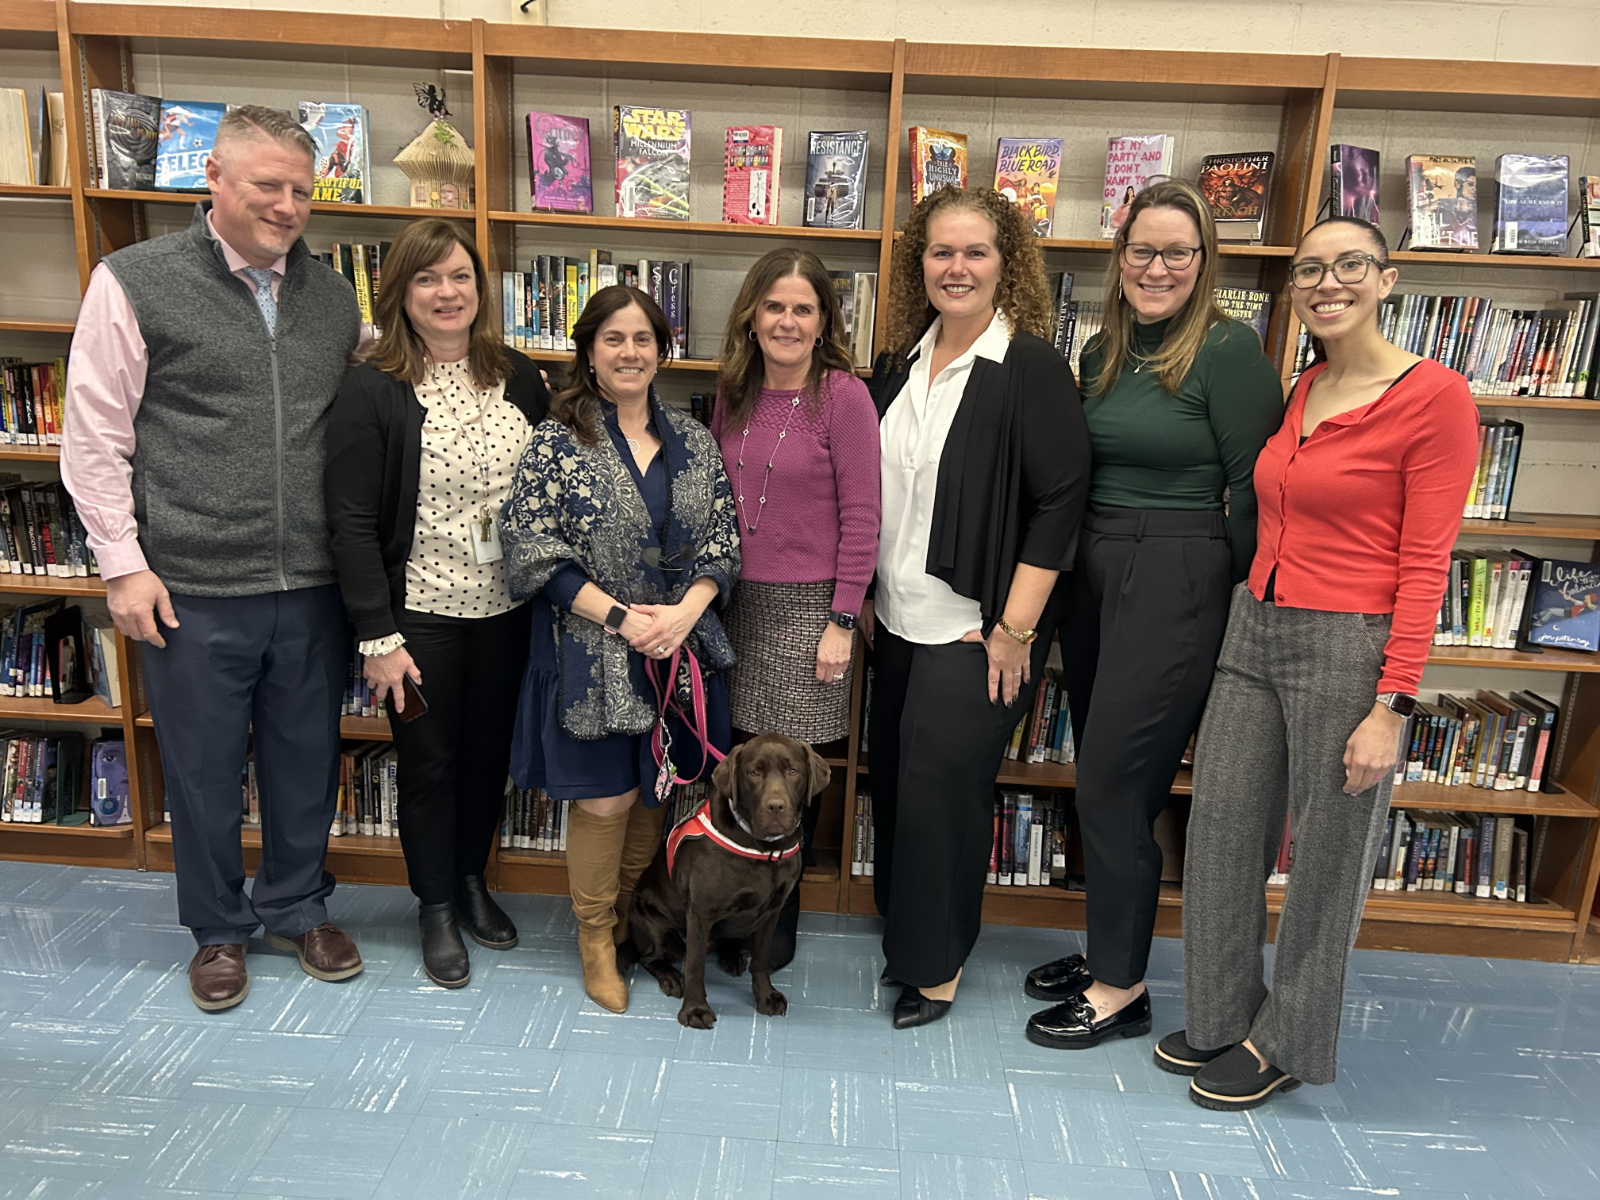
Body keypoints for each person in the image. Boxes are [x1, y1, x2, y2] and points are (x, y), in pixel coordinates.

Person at [1168, 216, 1478, 1110]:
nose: (1327, 281)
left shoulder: (1435, 395)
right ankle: (1224, 1015)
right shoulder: (1303, 385)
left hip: (1351, 642)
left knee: (1327, 857)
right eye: (1310, 268)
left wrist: (1396, 702)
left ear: (1387, 278)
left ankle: (1286, 1040)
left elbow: (1427, 561)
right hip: (1254, 627)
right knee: (1222, 831)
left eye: (1349, 265)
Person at [61, 106, 365, 1011]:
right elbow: (94, 434)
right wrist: (121, 563)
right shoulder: (134, 280)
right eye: (266, 185)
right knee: (199, 770)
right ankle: (218, 930)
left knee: (306, 761)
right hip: (189, 586)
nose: (286, 206)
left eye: (302, 190)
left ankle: (298, 905)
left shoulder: (334, 296)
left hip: (310, 584)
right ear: (215, 183)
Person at [1023, 179, 1283, 1050]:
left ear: (1205, 263)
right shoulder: (1102, 350)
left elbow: (1255, 489)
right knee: (1106, 774)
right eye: (1142, 250)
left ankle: (1121, 988)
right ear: (1119, 256)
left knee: (1112, 780)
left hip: (1178, 571)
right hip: (1095, 569)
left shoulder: (1228, 351)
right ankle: (1109, 948)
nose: (1157, 267)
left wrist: (1241, 601)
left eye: (1178, 251)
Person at [866, 186, 1090, 1029]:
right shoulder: (895, 361)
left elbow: (1060, 502)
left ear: (1008, 265)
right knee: (891, 785)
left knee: (941, 798)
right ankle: (909, 931)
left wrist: (1013, 630)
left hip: (974, 630)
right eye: (940, 252)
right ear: (918, 264)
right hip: (894, 619)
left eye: (976, 253)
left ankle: (936, 965)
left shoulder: (1028, 366)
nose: (956, 268)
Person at [325, 219, 550, 988]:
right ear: (400, 295)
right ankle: (433, 908)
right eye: (427, 279)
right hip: (417, 618)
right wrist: (377, 636)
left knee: (489, 760)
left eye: (459, 276)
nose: (447, 293)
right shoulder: (372, 388)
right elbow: (351, 522)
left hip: (508, 612)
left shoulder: (519, 377)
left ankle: (471, 883)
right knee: (428, 764)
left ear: (479, 288)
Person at [502, 285, 740, 1014]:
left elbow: (723, 538)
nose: (630, 352)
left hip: (678, 650)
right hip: (591, 650)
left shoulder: (694, 439)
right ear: (589, 351)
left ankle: (635, 916)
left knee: (654, 794)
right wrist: (623, 620)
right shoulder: (555, 440)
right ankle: (596, 937)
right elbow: (528, 547)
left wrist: (689, 607)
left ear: (663, 349)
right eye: (614, 339)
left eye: (643, 338)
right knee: (605, 802)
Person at [711, 248, 880, 969]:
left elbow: (865, 517)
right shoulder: (733, 393)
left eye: (802, 308)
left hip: (813, 612)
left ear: (822, 322)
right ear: (751, 315)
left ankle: (773, 935)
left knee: (791, 782)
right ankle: (731, 919)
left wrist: (842, 621)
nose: (786, 320)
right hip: (735, 605)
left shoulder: (842, 397)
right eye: (774, 306)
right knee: (742, 772)